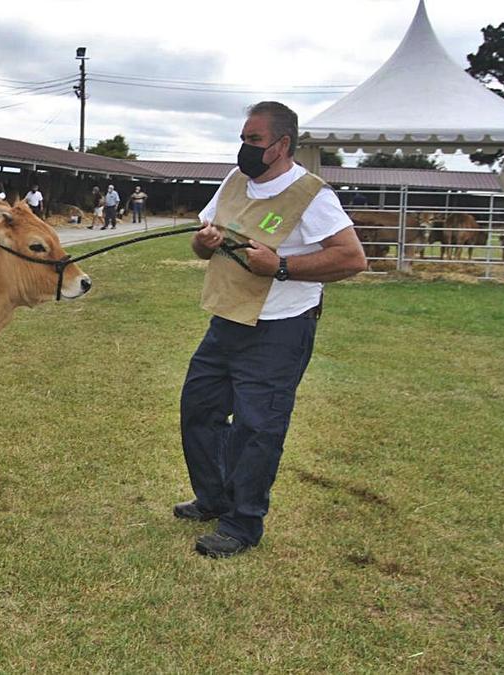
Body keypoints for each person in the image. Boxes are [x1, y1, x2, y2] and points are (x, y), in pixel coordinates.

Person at [177, 101, 367, 558]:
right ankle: (214, 497)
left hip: (279, 331)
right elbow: (204, 243)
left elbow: (352, 258)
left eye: (255, 141)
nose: (245, 148)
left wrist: (280, 265)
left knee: (257, 428)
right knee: (198, 410)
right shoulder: (234, 180)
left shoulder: (313, 195)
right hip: (227, 320)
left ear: (282, 145)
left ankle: (242, 524)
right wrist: (203, 243)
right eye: (243, 139)